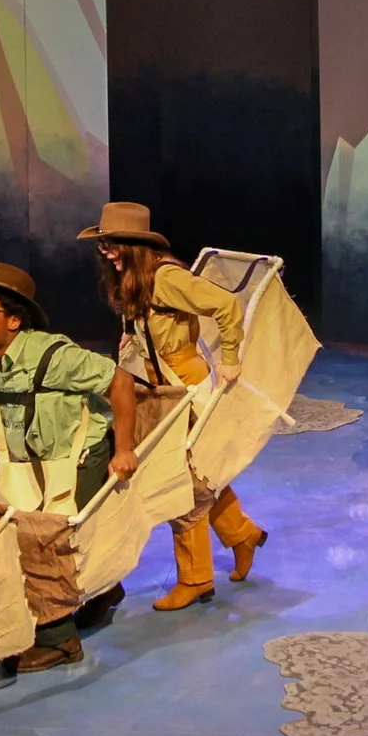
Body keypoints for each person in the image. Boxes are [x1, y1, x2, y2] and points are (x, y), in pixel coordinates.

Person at [79, 201, 267, 611]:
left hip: (184, 383)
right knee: (198, 476)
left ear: (134, 245)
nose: (106, 251)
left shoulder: (166, 277)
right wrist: (130, 339)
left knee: (182, 482)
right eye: (103, 245)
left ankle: (196, 578)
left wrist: (231, 358)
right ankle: (241, 533)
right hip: (157, 384)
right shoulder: (135, 278)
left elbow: (226, 305)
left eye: (113, 244)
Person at [0, 262, 139, 672]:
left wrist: (123, 448)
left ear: (15, 321)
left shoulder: (53, 355)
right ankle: (102, 591)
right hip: (36, 459)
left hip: (81, 454)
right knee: (12, 526)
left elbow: (120, 382)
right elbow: (12, 402)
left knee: (46, 541)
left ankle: (59, 640)